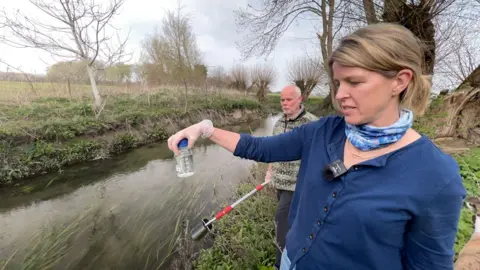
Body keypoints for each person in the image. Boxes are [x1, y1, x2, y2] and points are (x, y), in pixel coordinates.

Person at [167, 23, 466, 270]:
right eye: (338, 83)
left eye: (355, 82)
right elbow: (260, 148)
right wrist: (206, 129)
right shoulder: (323, 131)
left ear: (400, 81)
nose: (340, 96)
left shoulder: (437, 176)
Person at [265, 84, 318, 269]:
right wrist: (269, 170)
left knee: (281, 222)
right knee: (292, 223)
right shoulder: (279, 122)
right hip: (279, 183)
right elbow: (272, 149)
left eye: (289, 99)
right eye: (282, 100)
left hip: (297, 187)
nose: (284, 103)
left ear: (300, 99)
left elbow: (319, 156)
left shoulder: (312, 124)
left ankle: (281, 264)